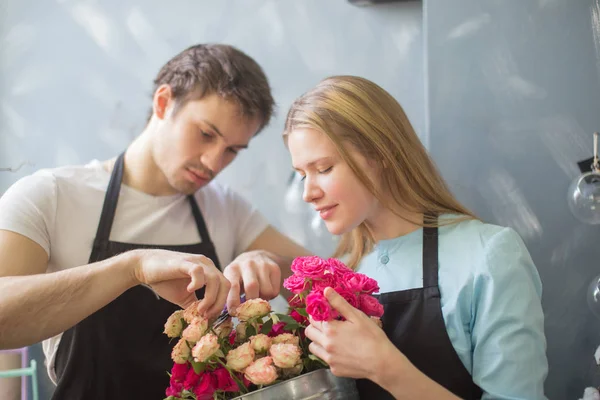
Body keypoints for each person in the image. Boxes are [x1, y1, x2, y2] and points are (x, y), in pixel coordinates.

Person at [0, 44, 309, 399]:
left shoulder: (227, 210)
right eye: (206, 134)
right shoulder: (51, 195)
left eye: (231, 151)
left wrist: (269, 261)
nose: (213, 162)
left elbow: (326, 281)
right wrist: (133, 267)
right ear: (163, 103)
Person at [284, 75, 548, 400]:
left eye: (323, 168)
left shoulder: (489, 255)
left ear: (378, 153)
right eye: (301, 175)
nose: (308, 193)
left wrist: (386, 368)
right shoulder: (340, 273)